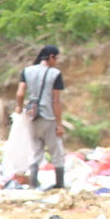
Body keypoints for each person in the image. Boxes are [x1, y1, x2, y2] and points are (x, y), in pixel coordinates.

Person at [15, 45, 66, 189]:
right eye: (57, 58)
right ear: (51, 57)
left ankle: (33, 183)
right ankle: (59, 184)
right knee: (56, 151)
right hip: (48, 117)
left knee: (35, 150)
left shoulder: (27, 71)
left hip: (31, 116)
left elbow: (20, 93)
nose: (57, 61)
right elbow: (55, 100)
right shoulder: (55, 74)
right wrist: (59, 124)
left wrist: (19, 107)